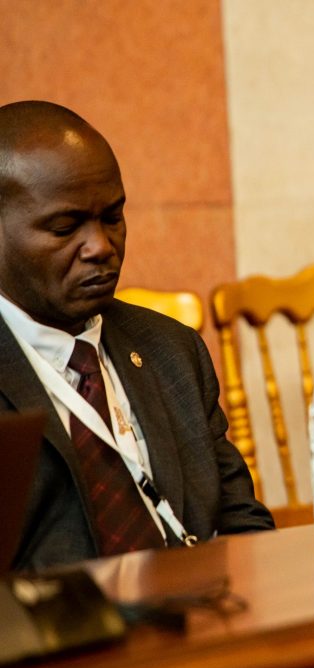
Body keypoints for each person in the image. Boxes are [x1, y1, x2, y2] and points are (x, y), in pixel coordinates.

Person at [0, 101, 273, 571]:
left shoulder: (170, 349)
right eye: (65, 228)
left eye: (112, 217)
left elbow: (239, 522)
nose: (101, 247)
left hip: (200, 623)